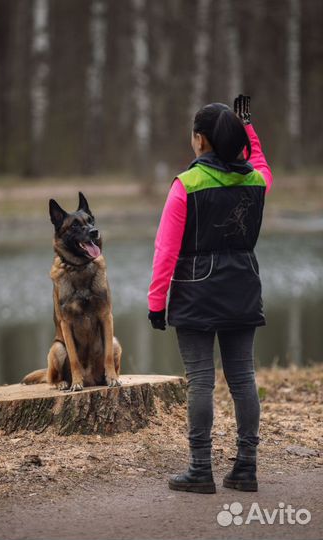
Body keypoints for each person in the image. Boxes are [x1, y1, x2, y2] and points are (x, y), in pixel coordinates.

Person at [147, 95, 272, 494]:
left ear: (200, 141)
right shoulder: (254, 180)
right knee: (243, 378)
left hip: (195, 291)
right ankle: (246, 468)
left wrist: (156, 304)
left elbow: (165, 250)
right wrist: (248, 126)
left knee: (200, 380)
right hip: (243, 286)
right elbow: (262, 166)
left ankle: (200, 470)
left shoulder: (187, 184)